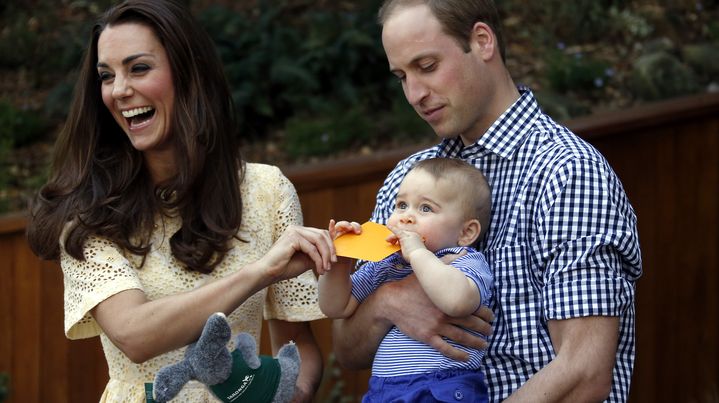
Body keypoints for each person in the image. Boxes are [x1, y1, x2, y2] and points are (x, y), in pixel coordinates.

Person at [331, 1, 643, 402]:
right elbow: (347, 349)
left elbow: (584, 372)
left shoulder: (567, 172)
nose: (415, 93)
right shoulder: (406, 182)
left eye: (426, 67)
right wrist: (387, 304)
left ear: (482, 41)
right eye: (401, 76)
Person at [25, 1, 334, 401]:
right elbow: (134, 334)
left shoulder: (267, 191)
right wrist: (261, 272)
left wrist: (287, 394)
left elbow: (297, 346)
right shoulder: (85, 212)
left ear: (189, 75)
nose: (119, 90)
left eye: (138, 68)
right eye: (106, 75)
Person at [318, 157, 494, 402]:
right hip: (383, 390)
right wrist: (339, 262)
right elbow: (336, 306)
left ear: (466, 233)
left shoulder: (463, 260)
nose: (406, 217)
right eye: (401, 205)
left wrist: (418, 254)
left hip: (441, 387)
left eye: (425, 209)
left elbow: (456, 301)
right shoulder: (387, 265)